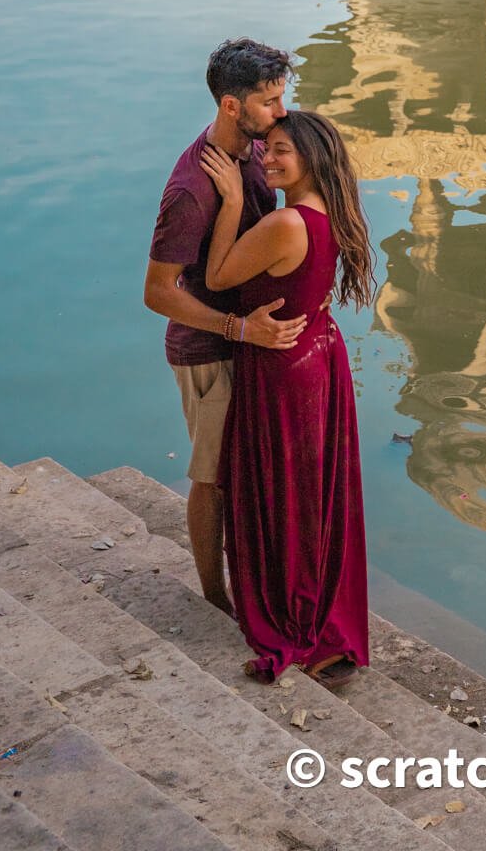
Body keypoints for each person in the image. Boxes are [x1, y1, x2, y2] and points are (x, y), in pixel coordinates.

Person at [200, 107, 373, 686]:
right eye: (265, 147)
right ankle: (322, 611)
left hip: (282, 367)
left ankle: (297, 620)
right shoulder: (330, 214)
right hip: (319, 354)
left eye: (281, 151)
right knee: (313, 493)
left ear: (311, 161)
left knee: (283, 494)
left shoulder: (285, 225)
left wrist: (229, 203)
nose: (266, 159)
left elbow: (219, 276)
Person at [143, 38, 305, 612]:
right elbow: (158, 293)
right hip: (209, 352)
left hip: (250, 340)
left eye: (282, 96)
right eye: (268, 101)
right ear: (232, 106)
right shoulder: (191, 189)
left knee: (249, 472)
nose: (280, 111)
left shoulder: (254, 157)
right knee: (211, 478)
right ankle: (215, 599)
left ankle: (260, 582)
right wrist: (237, 330)